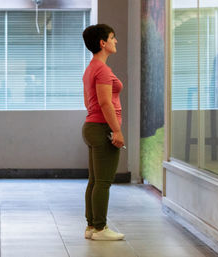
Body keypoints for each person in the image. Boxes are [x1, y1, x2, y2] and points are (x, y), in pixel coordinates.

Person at [81, 24, 125, 241]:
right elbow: (106, 103)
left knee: (94, 180)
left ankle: (91, 226)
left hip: (91, 126)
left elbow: (87, 101)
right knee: (103, 181)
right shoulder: (103, 70)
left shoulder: (91, 68)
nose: (115, 41)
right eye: (112, 37)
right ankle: (100, 228)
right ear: (102, 43)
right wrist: (116, 130)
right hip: (102, 128)